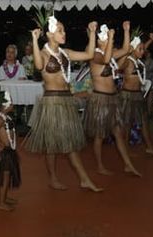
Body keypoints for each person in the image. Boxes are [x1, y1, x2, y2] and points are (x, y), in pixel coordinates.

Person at [24, 16, 102, 192]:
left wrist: (92, 33)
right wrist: (34, 40)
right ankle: (64, 178)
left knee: (67, 143)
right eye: (60, 30)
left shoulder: (65, 53)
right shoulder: (43, 54)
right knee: (53, 144)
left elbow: (89, 54)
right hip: (52, 102)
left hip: (66, 101)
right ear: (50, 34)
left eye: (64, 30)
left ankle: (81, 179)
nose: (64, 33)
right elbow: (37, 65)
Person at [85, 21, 141, 177]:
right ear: (99, 41)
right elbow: (105, 59)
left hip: (112, 99)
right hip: (100, 100)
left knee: (118, 132)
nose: (110, 42)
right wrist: (110, 40)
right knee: (99, 135)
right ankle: (99, 166)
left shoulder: (110, 55)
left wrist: (126, 31)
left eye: (109, 40)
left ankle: (128, 164)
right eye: (106, 39)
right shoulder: (95, 55)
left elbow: (124, 49)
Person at [119, 32, 153, 158]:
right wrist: (127, 52)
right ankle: (125, 150)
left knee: (144, 122)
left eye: (143, 49)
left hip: (138, 95)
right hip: (127, 96)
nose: (143, 51)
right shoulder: (128, 61)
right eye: (140, 49)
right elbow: (118, 66)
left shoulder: (137, 60)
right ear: (132, 48)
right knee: (127, 124)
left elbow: (142, 48)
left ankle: (149, 148)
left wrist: (150, 41)